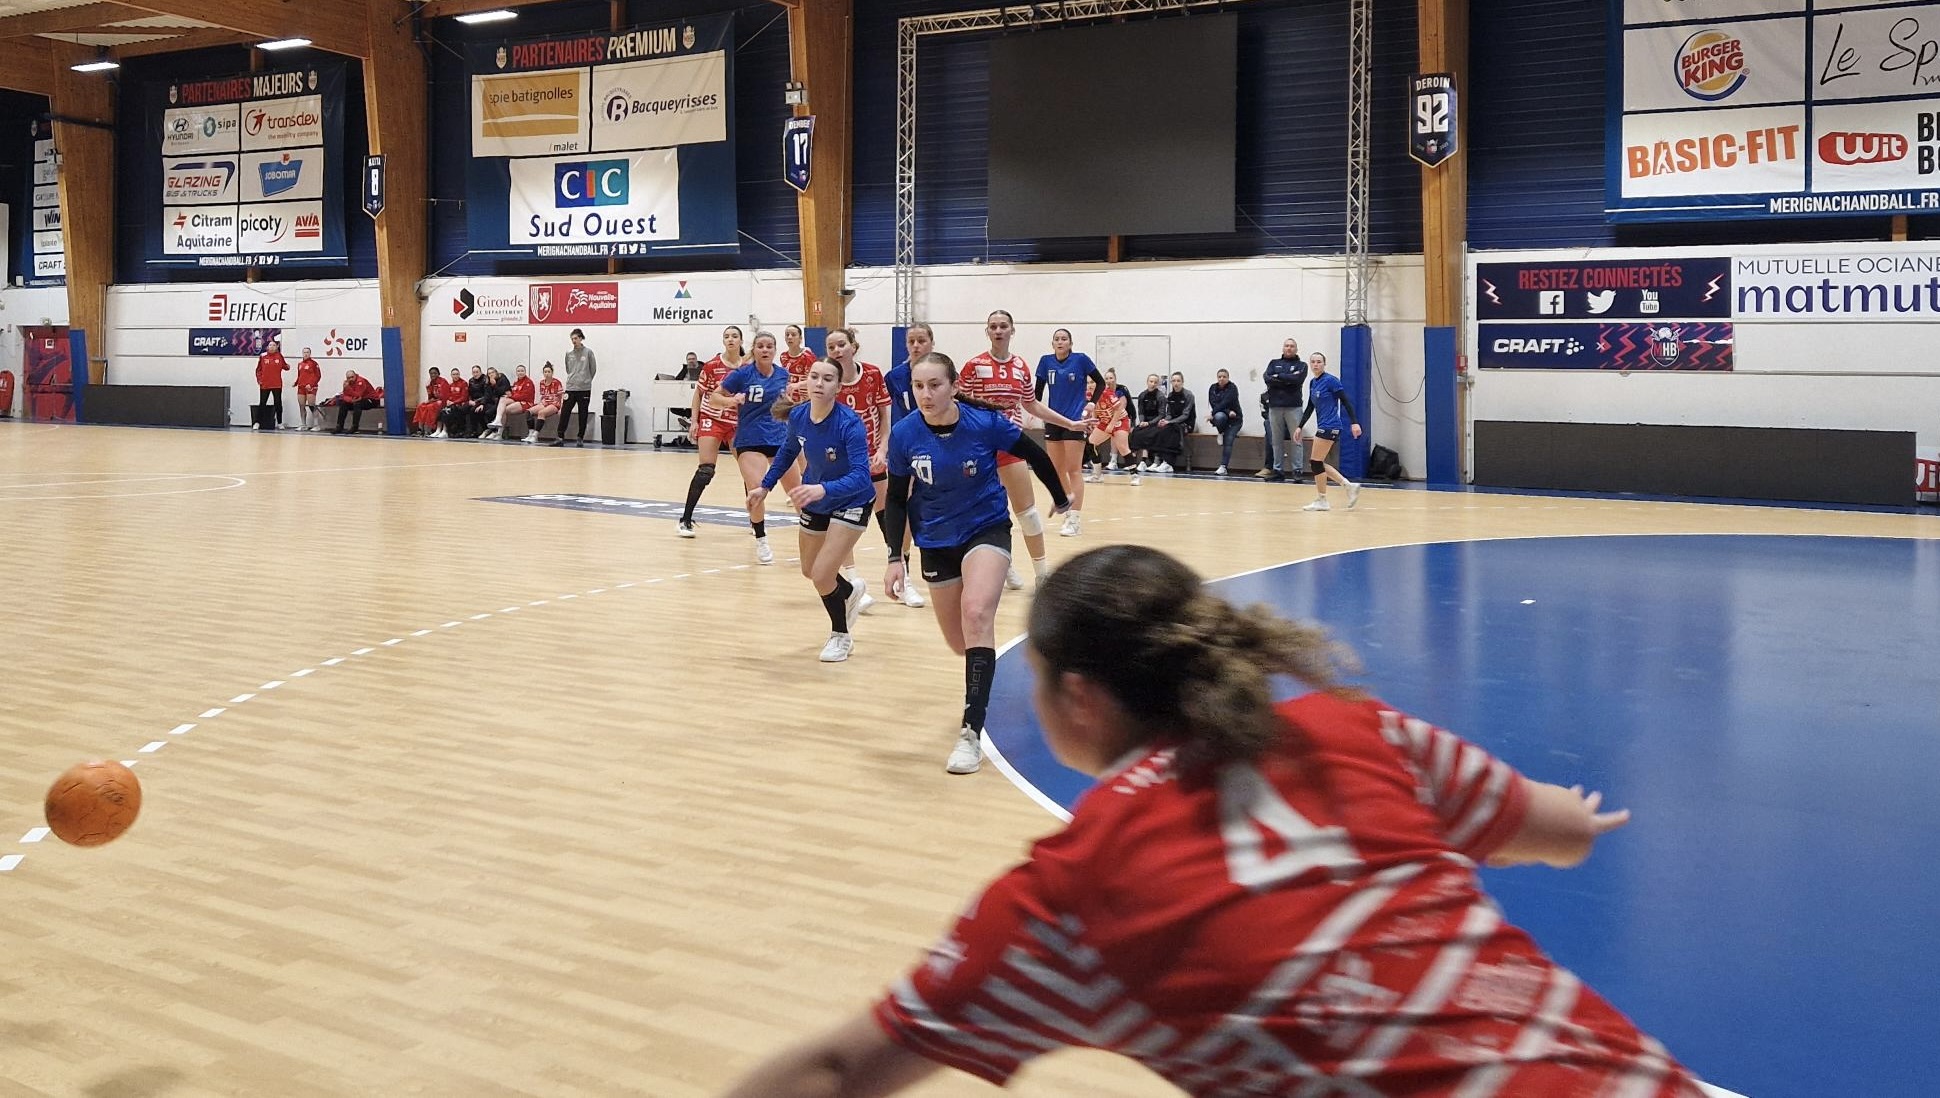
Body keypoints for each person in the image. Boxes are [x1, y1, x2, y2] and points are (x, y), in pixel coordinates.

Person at [718, 544, 1706, 1098]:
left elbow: (835, 1070)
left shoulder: (1071, 897)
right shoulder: (1353, 732)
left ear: (1079, 698)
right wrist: (1577, 823)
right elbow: (1550, 828)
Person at [880, 351, 1071, 774]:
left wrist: (1061, 497)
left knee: (977, 613)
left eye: (935, 385)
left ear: (953, 387)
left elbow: (1037, 455)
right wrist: (896, 556)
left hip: (986, 529)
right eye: (918, 386)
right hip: (935, 540)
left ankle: (971, 732)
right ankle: (993, 673)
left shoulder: (984, 423)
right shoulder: (906, 434)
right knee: (960, 642)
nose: (926, 394)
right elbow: (895, 498)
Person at [749, 358, 876, 663]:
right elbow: (787, 452)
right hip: (817, 499)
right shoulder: (799, 416)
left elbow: (862, 475)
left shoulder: (849, 423)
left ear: (839, 387)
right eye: (814, 377)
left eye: (828, 379)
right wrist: (764, 486)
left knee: (822, 574)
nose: (819, 383)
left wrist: (823, 489)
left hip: (852, 500)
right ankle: (848, 593)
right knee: (810, 570)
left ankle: (841, 636)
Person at [957, 310, 1086, 591]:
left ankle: (1042, 575)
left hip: (1011, 444)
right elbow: (960, 403)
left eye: (1003, 326)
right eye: (993, 326)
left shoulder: (1020, 366)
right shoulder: (974, 366)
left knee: (1027, 512)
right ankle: (1003, 566)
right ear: (987, 331)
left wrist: (1069, 423)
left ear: (1012, 330)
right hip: (978, 448)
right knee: (985, 515)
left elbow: (1032, 404)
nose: (998, 331)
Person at [712, 330, 802, 565]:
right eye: (760, 346)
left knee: (798, 492)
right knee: (756, 490)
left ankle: (812, 536)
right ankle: (761, 539)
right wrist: (732, 400)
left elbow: (783, 403)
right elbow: (714, 397)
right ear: (754, 349)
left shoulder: (782, 374)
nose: (765, 350)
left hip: (780, 439)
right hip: (750, 440)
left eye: (769, 346)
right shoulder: (742, 374)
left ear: (774, 350)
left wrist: (791, 404)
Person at [828, 327, 892, 614]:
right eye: (831, 347)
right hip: (842, 461)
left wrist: (882, 449)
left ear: (853, 346)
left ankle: (900, 573)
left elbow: (884, 416)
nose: (837, 350)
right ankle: (854, 582)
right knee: (842, 520)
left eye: (841, 344)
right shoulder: (828, 379)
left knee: (886, 513)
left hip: (872, 457)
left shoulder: (872, 374)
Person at [877, 324, 930, 607]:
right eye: (912, 341)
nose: (916, 345)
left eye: (921, 340)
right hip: (907, 448)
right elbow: (885, 412)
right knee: (904, 507)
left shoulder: (942, 370)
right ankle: (904, 578)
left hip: (939, 445)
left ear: (931, 343)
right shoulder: (895, 377)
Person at [677, 326, 748, 537]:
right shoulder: (712, 365)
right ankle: (685, 520)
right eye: (726, 336)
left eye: (734, 336)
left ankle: (755, 521)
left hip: (736, 423)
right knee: (706, 470)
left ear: (741, 340)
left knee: (749, 470)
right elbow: (699, 394)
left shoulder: (748, 367)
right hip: (712, 418)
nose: (730, 339)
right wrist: (694, 421)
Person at [1034, 329, 1104, 537]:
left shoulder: (1080, 360)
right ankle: (1067, 506)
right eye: (1056, 339)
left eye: (1064, 339)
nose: (1060, 342)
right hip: (1053, 420)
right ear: (1052, 344)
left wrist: (1092, 403)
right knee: (1057, 470)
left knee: (1073, 469)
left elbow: (1100, 382)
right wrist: (1034, 413)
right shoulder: (1045, 362)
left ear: (1070, 343)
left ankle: (1075, 519)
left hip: (1075, 420)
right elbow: (1036, 393)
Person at [1297, 350, 1363, 512]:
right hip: (1324, 425)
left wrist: (1354, 422)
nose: (1316, 364)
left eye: (1319, 362)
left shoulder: (1331, 381)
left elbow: (1345, 401)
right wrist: (1300, 426)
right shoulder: (1313, 383)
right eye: (1313, 362)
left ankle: (1323, 499)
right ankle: (1348, 486)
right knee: (1317, 462)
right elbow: (1310, 407)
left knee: (1315, 462)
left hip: (1331, 425)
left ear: (1324, 364)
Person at [1081, 375, 1138, 488]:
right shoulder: (1089, 394)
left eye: (1092, 382)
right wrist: (1093, 421)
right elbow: (1094, 408)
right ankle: (1097, 475)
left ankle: (1135, 475)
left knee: (1123, 447)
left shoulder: (1107, 393)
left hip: (1119, 420)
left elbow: (1119, 409)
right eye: (1088, 383)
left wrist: (1112, 425)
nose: (1090, 385)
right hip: (1104, 422)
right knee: (1091, 443)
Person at [1262, 337, 1307, 482]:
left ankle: (1297, 470)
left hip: (1294, 407)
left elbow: (1297, 380)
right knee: (1276, 440)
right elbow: (1267, 378)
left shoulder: (1302, 365)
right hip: (1275, 406)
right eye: (1286, 346)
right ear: (1283, 348)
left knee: (1296, 439)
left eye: (1292, 346)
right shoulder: (1273, 363)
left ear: (1296, 349)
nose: (1289, 348)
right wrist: (1288, 380)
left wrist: (1279, 377)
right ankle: (1278, 470)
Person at [559, 328, 597, 446]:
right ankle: (560, 436)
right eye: (572, 339)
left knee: (583, 413)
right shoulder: (569, 353)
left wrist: (586, 380)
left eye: (575, 338)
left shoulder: (588, 352)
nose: (573, 341)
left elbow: (593, 369)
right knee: (565, 412)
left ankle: (580, 437)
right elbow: (568, 369)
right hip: (571, 387)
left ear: (581, 338)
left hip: (584, 389)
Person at [1128, 373, 1168, 471]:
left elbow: (1161, 414)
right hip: (1145, 421)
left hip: (1156, 422)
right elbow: (1141, 411)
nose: (1153, 384)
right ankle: (1132, 461)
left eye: (1155, 382)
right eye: (1151, 381)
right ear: (1147, 382)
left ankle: (1144, 461)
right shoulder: (1142, 395)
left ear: (1158, 384)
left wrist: (1149, 423)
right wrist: (1142, 421)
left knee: (1148, 433)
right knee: (1136, 431)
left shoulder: (1160, 396)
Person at [1207, 367, 1243, 474]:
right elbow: (1214, 404)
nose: (1221, 379)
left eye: (1224, 377)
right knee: (1219, 416)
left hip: (1235, 420)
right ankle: (1221, 431)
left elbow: (1225, 402)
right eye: (1219, 377)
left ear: (1228, 378)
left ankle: (1223, 466)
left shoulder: (1232, 388)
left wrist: (1212, 413)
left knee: (1228, 440)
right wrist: (1227, 412)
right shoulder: (1213, 388)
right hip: (1222, 417)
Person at [483, 364, 535, 438]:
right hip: (517, 400)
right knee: (503, 399)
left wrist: (511, 396)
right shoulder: (516, 382)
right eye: (518, 371)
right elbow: (512, 393)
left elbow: (524, 396)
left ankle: (499, 431)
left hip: (526, 402)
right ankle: (498, 424)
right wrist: (510, 395)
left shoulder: (528, 382)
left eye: (522, 371)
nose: (520, 373)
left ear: (525, 372)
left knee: (503, 409)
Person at [524, 363, 564, 443]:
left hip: (554, 403)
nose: (547, 374)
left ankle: (535, 436)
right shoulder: (542, 382)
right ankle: (531, 433)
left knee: (541, 413)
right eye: (545, 372)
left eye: (549, 372)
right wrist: (539, 404)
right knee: (528, 412)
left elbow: (561, 396)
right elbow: (543, 395)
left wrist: (561, 408)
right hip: (545, 402)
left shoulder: (557, 382)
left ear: (552, 373)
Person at [253, 339, 289, 430]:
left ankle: (280, 423)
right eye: (270, 345)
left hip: (277, 384)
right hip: (265, 384)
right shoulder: (263, 356)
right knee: (262, 403)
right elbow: (258, 370)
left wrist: (287, 366)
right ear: (267, 347)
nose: (272, 347)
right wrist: (259, 380)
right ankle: (257, 422)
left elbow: (285, 366)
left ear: (276, 347)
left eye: (274, 345)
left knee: (278, 403)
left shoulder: (279, 356)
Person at [331, 369, 379, 434]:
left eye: (352, 377)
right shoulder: (347, 383)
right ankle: (339, 426)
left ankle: (355, 427)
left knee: (357, 404)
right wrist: (351, 400)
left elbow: (358, 395)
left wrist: (348, 389)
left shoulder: (360, 381)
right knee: (343, 404)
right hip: (357, 400)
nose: (350, 379)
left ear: (355, 376)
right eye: (348, 378)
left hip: (371, 400)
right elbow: (345, 396)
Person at [780, 323, 819, 399]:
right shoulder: (783, 356)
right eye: (787, 335)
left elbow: (816, 379)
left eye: (793, 335)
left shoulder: (808, 356)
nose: (789, 337)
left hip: (805, 399)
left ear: (800, 338)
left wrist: (798, 385)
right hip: (789, 399)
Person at [412, 368, 448, 437]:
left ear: (438, 374)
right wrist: (428, 387)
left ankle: (428, 429)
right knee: (421, 406)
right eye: (431, 373)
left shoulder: (443, 382)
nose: (433, 375)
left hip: (442, 402)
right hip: (434, 401)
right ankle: (420, 429)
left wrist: (432, 401)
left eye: (435, 373)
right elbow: (430, 396)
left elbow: (443, 396)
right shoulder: (431, 383)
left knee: (430, 407)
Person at [293, 347, 322, 431]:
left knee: (311, 405)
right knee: (301, 406)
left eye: (307, 352)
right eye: (304, 352)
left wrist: (311, 384)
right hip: (301, 387)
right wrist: (296, 383)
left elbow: (318, 376)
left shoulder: (314, 364)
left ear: (310, 353)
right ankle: (303, 424)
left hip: (311, 387)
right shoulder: (300, 364)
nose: (306, 354)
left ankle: (316, 425)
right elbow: (300, 375)